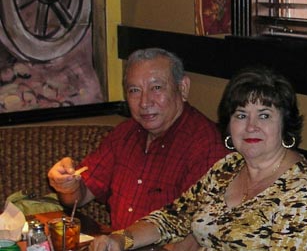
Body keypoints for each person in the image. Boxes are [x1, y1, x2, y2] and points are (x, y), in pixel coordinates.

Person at [89, 67, 307, 251]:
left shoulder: (303, 190)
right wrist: (121, 239)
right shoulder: (227, 168)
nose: (251, 126)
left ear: (285, 124)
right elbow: (174, 217)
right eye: (241, 115)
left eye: (264, 115)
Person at [48, 48, 227, 230]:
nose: (144, 102)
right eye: (134, 90)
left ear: (183, 88)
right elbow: (81, 196)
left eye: (156, 88)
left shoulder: (206, 146)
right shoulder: (126, 134)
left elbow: (196, 236)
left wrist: (124, 244)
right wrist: (67, 185)